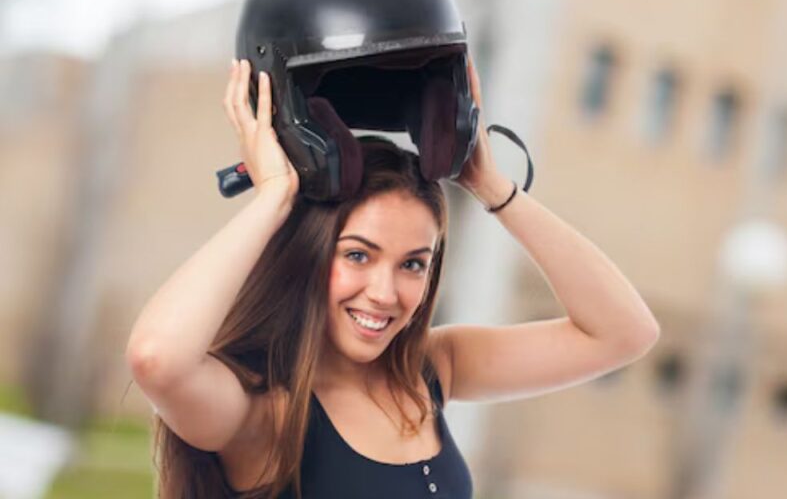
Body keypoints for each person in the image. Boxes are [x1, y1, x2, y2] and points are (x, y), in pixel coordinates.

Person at [125, 56, 661, 498]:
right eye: (358, 255)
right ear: (311, 254)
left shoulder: (432, 371)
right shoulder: (265, 414)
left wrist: (493, 188)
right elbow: (157, 358)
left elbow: (624, 332)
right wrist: (273, 198)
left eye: (412, 264)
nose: (384, 294)